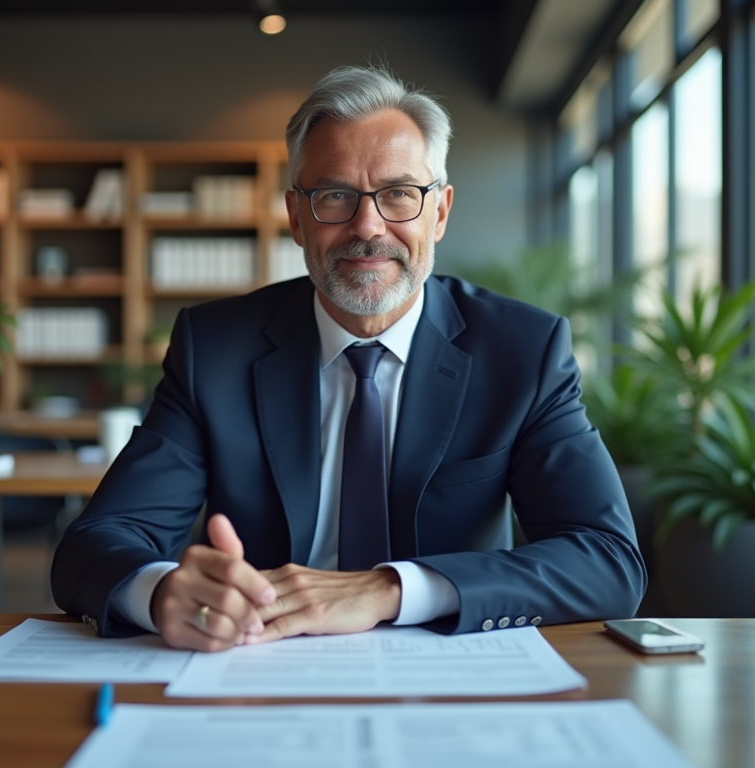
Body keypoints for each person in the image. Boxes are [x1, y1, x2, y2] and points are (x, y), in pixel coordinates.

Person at [51, 65, 645, 651]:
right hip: (263, 665)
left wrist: (389, 589)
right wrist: (161, 592)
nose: (368, 226)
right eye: (334, 195)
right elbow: (96, 543)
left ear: (439, 212)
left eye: (399, 195)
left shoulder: (521, 351)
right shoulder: (216, 349)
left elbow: (607, 559)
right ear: (295, 216)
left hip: (451, 675)